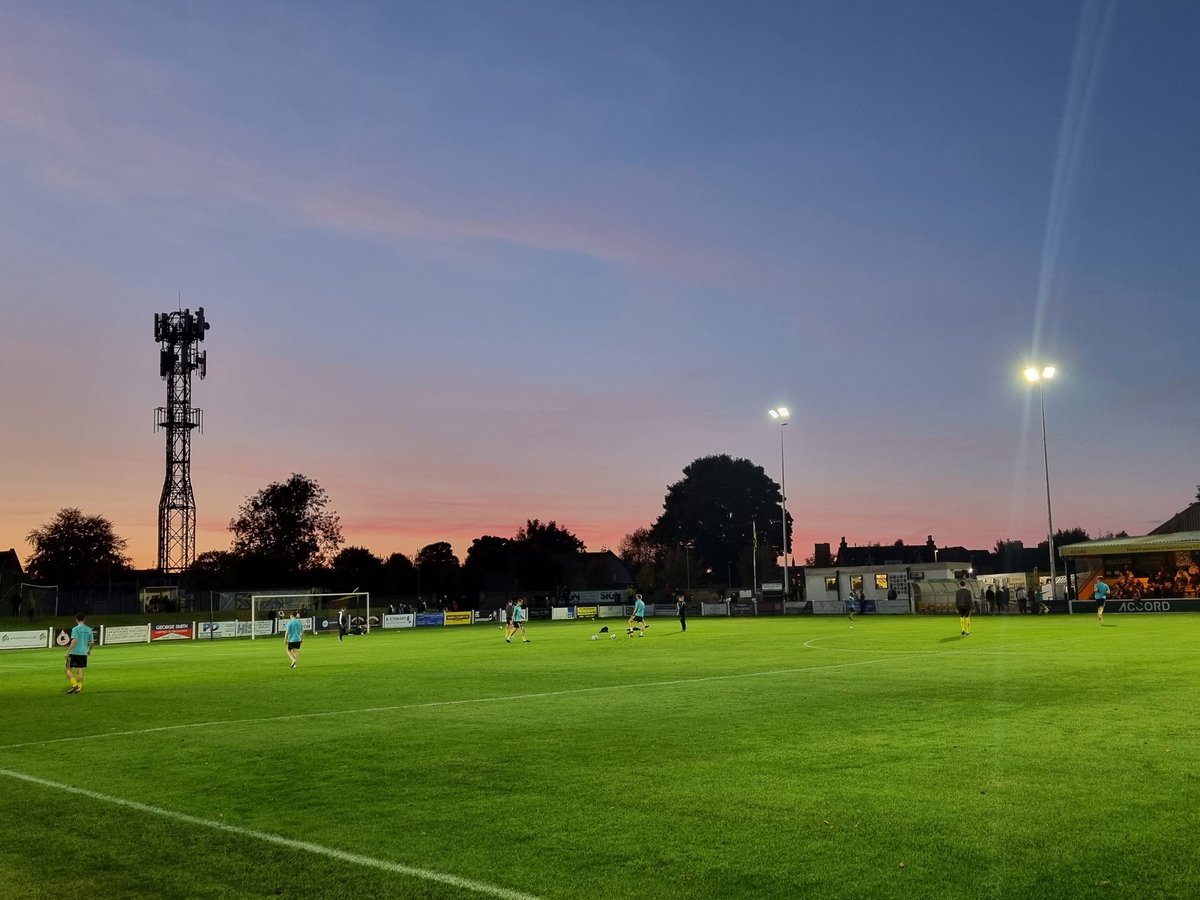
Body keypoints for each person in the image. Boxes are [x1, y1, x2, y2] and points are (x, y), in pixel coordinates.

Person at [65, 613, 94, 694]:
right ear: (84, 619)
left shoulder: (75, 629)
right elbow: (92, 642)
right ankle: (79, 688)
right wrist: (89, 650)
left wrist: (67, 652)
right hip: (83, 653)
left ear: (76, 620)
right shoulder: (89, 629)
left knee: (67, 670)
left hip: (74, 653)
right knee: (80, 670)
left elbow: (74, 641)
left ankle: (74, 685)